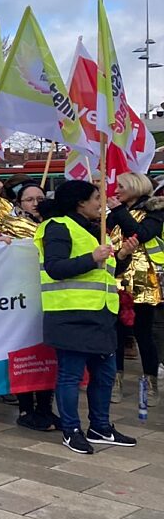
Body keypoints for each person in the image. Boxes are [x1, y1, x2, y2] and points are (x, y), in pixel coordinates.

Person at [36, 180, 138, 454]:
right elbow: (55, 267)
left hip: (101, 315)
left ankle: (100, 427)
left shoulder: (95, 229)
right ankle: (71, 431)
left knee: (105, 375)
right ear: (80, 202)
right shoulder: (57, 226)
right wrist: (92, 257)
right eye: (96, 198)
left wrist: (123, 255)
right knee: (70, 376)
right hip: (70, 314)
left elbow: (105, 271)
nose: (100, 203)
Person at [0, 180, 59, 430]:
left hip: (47, 296)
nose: (35, 204)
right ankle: (25, 409)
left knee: (46, 354)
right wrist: (0, 243)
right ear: (19, 203)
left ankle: (45, 408)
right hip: (19, 297)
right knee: (24, 354)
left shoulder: (54, 225)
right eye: (29, 199)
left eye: (40, 199)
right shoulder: (8, 225)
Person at [106, 172, 164, 407]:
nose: (116, 190)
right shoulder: (114, 213)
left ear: (135, 186)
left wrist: (119, 211)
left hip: (142, 282)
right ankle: (115, 381)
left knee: (144, 334)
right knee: (116, 334)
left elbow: (142, 234)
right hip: (116, 276)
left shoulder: (155, 209)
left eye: (121, 186)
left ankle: (151, 383)